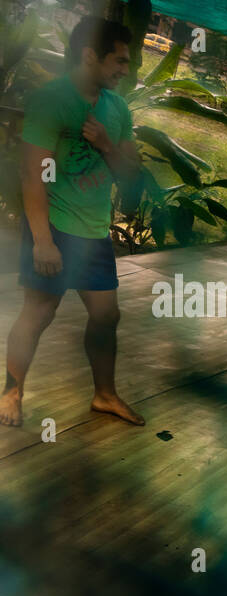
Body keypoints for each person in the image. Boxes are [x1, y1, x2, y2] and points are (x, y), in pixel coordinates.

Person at [3, 16, 143, 428]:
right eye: (118, 60)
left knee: (106, 315)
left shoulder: (116, 107)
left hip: (93, 231)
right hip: (55, 225)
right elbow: (34, 173)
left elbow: (130, 171)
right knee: (38, 314)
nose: (125, 69)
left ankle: (104, 395)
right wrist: (42, 241)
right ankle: (11, 391)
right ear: (89, 56)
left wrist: (103, 144)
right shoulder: (53, 100)